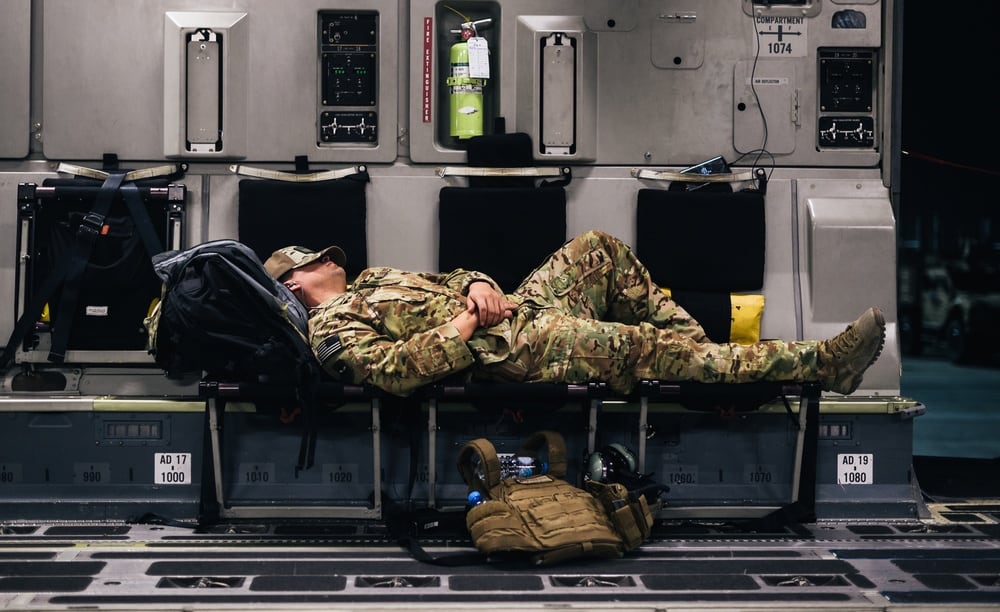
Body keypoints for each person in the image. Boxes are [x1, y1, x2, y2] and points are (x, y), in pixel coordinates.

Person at [264, 230, 885, 398]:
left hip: (516, 309)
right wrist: (469, 323)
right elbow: (393, 370)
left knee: (598, 250)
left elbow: (448, 277)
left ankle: (699, 362)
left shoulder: (374, 279)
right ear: (296, 279)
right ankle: (822, 365)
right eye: (319, 258)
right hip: (511, 349)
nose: (331, 256)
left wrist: (477, 283)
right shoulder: (329, 328)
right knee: (639, 344)